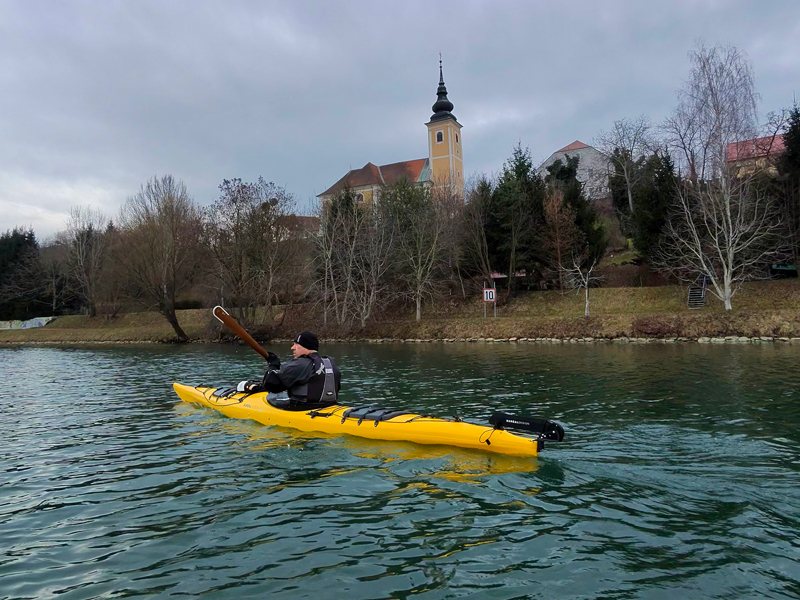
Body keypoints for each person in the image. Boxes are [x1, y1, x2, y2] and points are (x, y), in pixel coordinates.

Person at [238, 331, 340, 411]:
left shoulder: (299, 364)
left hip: (303, 408)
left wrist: (273, 365)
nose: (292, 348)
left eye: (296, 344)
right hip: (329, 405)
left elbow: (271, 385)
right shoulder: (330, 362)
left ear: (306, 346)